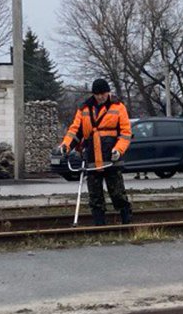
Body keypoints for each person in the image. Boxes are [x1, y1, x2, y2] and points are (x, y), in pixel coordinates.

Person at [56, 78, 133, 225]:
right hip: (91, 157)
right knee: (95, 196)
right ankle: (99, 225)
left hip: (111, 159)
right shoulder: (84, 108)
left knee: (117, 194)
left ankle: (127, 221)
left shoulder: (118, 107)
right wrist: (66, 145)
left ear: (108, 92)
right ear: (94, 94)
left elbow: (125, 133)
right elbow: (75, 131)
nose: (100, 97)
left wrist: (118, 149)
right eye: (97, 94)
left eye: (103, 94)